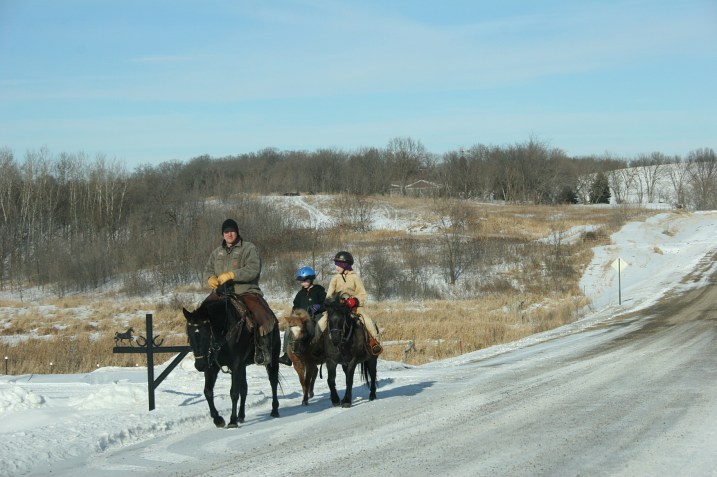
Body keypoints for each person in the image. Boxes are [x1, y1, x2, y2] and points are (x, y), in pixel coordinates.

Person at [204, 218, 278, 365]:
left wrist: (233, 275)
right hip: (221, 293)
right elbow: (208, 269)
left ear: (237, 232)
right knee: (200, 313)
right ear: (222, 234)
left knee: (262, 315)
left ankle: (262, 350)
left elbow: (253, 269)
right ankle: (203, 350)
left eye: (232, 231)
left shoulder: (248, 248)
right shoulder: (216, 252)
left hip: (245, 291)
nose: (229, 234)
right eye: (226, 232)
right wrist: (209, 278)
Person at [315, 251, 382, 355]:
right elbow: (328, 296)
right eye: (336, 265)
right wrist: (332, 302)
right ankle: (317, 345)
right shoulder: (335, 278)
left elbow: (363, 294)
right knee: (321, 323)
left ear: (345, 265)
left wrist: (355, 300)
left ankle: (374, 343)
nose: (336, 267)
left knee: (367, 321)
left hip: (354, 308)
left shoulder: (355, 278)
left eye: (338, 265)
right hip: (338, 308)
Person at [278, 266, 326, 366]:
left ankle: (320, 350)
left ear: (311, 280)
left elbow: (325, 303)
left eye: (305, 281)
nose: (303, 283)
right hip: (301, 318)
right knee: (288, 330)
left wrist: (318, 307)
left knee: (318, 327)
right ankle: (287, 356)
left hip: (316, 316)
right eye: (301, 281)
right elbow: (295, 306)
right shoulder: (300, 294)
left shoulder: (319, 290)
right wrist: (293, 315)